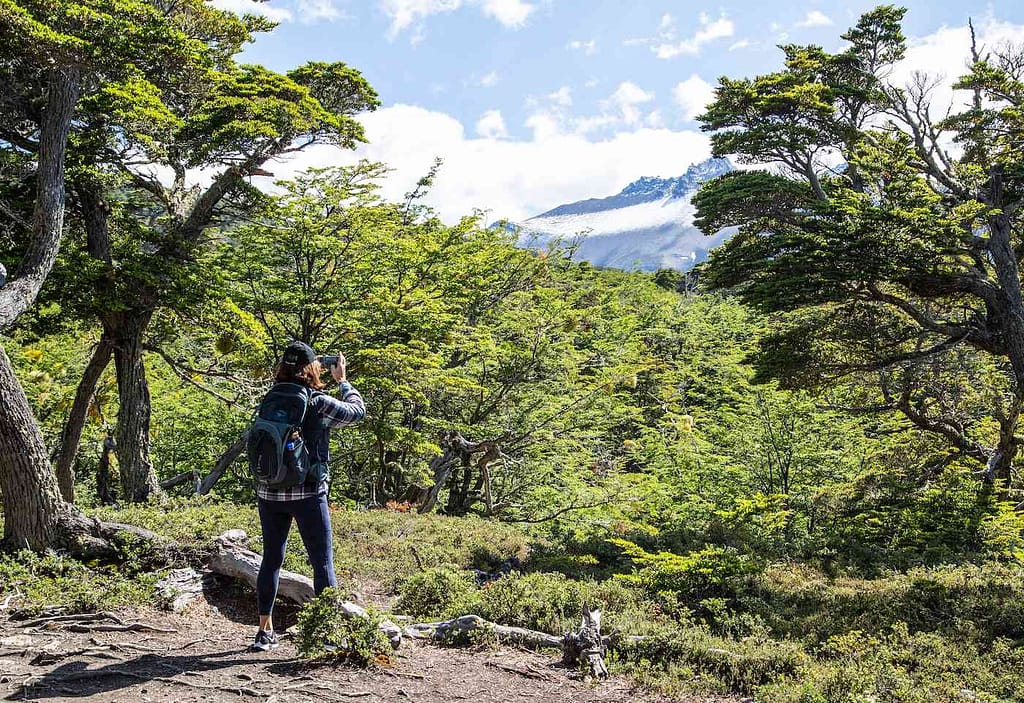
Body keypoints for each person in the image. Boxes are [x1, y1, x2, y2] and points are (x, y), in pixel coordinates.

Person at [250, 340, 365, 652]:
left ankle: (264, 633)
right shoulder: (318, 401)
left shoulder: (271, 397)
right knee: (322, 563)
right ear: (313, 368)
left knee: (271, 558)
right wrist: (343, 381)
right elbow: (357, 412)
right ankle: (327, 635)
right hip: (308, 491)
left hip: (269, 490)